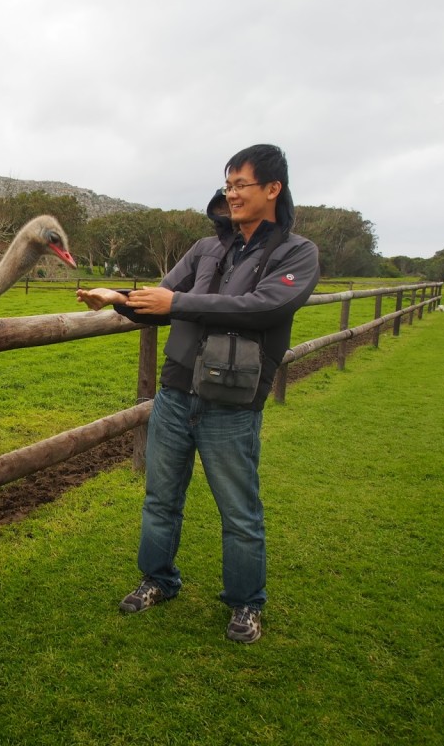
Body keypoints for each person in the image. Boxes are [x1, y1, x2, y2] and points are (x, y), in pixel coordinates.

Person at [76, 144, 319, 643]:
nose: (230, 194)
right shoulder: (207, 249)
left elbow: (264, 307)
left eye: (240, 185)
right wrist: (119, 299)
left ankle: (246, 604)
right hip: (175, 394)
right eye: (227, 184)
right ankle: (158, 580)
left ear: (273, 188)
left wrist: (179, 301)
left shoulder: (296, 252)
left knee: (239, 511)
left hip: (232, 403)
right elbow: (160, 303)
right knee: (160, 498)